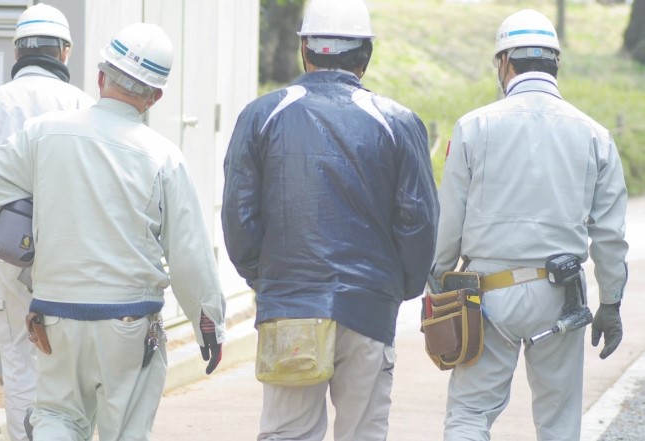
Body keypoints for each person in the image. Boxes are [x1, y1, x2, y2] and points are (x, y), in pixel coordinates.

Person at [0, 22, 226, 441]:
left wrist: (28, 241)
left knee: (57, 418)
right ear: (155, 97)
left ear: (101, 76)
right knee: (124, 430)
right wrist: (208, 323)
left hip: (55, 314)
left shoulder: (43, 133)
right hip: (128, 321)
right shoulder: (163, 157)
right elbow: (189, 253)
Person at [221, 0, 439, 439]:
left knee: (288, 432)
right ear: (366, 55)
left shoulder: (262, 115)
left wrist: (266, 279)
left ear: (305, 49)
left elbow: (239, 215)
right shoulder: (398, 121)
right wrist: (397, 287)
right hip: (370, 305)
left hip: (290, 307)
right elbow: (419, 221)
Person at [431, 9, 629, 441]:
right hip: (561, 296)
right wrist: (611, 303)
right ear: (556, 63)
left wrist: (437, 283)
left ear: (505, 62)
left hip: (485, 296)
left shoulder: (473, 126)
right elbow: (610, 236)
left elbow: (448, 224)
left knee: (469, 414)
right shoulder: (595, 135)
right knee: (559, 423)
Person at [0, 4, 94, 440]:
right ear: (65, 52)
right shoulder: (84, 106)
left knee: (19, 362)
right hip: (72, 258)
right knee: (68, 364)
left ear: (18, 52)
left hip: (9, 254)